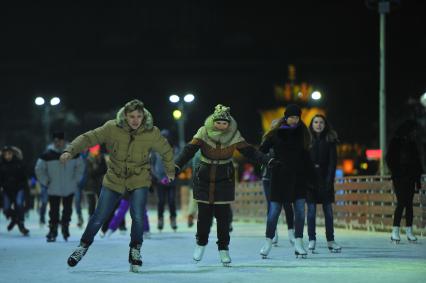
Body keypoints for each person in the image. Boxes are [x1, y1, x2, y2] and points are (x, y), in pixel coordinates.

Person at [63, 99, 175, 272]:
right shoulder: (112, 128)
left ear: (143, 116)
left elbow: (166, 150)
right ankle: (82, 247)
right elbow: (89, 137)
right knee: (99, 216)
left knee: (138, 215)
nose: (136, 120)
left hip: (139, 179)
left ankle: (135, 249)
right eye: (132, 116)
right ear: (125, 116)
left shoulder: (151, 132)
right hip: (115, 179)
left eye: (139, 116)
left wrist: (170, 171)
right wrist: (70, 150)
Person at [175, 104, 274, 266]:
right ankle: (200, 244)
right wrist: (176, 166)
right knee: (204, 217)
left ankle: (224, 249)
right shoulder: (203, 132)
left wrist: (266, 160)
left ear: (229, 124)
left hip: (224, 178)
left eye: (224, 123)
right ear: (213, 122)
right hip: (204, 177)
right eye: (218, 123)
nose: (221, 126)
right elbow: (188, 150)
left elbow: (250, 151)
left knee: (223, 217)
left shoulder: (234, 135)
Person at [259, 104, 314, 259]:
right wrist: (270, 161)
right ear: (286, 117)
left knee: (299, 211)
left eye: (297, 117)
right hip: (279, 178)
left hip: (298, 178)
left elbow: (306, 157)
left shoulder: (303, 134)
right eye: (291, 117)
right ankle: (268, 242)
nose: (294, 120)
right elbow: (260, 152)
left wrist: (313, 178)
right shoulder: (275, 134)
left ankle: (298, 243)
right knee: (274, 211)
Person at [35, 132, 85, 242]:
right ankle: (52, 230)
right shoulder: (47, 154)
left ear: (64, 140)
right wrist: (46, 181)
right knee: (53, 211)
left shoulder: (73, 152)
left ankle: (65, 228)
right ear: (54, 142)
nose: (58, 143)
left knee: (67, 210)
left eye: (60, 140)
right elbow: (39, 169)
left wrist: (75, 179)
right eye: (56, 141)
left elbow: (80, 166)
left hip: (69, 186)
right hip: (53, 187)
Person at [306, 114, 341, 253]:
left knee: (328, 212)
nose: (318, 124)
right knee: (311, 212)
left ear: (325, 125)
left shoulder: (330, 140)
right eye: (316, 122)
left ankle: (331, 241)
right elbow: (304, 162)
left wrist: (329, 181)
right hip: (310, 182)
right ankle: (311, 240)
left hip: (325, 180)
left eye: (321, 122)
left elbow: (333, 163)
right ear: (312, 124)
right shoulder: (307, 141)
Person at [386, 119, 423, 243]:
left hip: (410, 177)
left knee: (409, 204)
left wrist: (418, 180)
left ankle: (409, 231)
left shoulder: (412, 144)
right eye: (413, 131)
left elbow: (417, 162)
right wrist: (395, 172)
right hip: (399, 177)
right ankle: (395, 231)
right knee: (402, 202)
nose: (414, 133)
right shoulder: (395, 142)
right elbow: (389, 159)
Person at [150, 129, 178, 231]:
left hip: (171, 180)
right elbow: (151, 165)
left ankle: (173, 219)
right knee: (161, 201)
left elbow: (179, 163)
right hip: (159, 181)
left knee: (171, 201)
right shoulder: (155, 150)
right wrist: (158, 177)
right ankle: (160, 219)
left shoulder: (174, 149)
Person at [0, 145, 30, 235]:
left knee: (19, 204)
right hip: (6, 190)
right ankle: (15, 219)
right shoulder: (1, 165)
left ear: (13, 154)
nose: (7, 156)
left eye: (9, 154)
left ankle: (21, 224)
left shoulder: (19, 163)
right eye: (5, 154)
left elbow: (24, 178)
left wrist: (25, 190)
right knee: (6, 208)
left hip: (19, 188)